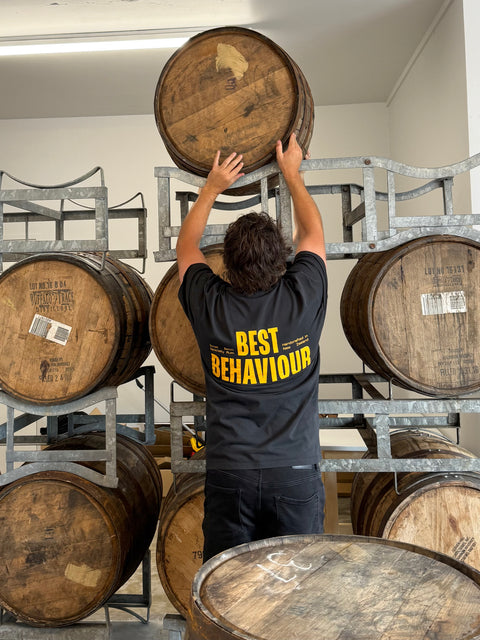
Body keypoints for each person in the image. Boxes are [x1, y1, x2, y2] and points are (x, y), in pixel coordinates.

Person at [177, 132, 327, 562]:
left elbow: (186, 247)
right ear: (282, 259)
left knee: (227, 586)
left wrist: (211, 188)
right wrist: (292, 174)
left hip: (231, 475)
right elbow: (313, 233)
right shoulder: (302, 295)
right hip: (295, 472)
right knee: (297, 588)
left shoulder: (211, 304)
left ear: (225, 264)